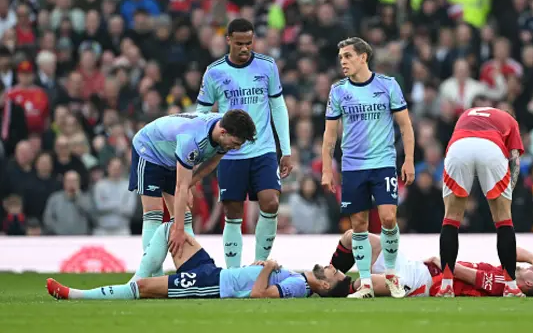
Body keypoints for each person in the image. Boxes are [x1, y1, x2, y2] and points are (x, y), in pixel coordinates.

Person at [322, 37, 416, 298]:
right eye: (341, 57)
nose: (343, 61)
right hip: (352, 166)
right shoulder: (338, 90)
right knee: (359, 225)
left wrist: (408, 159)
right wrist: (327, 170)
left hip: (384, 163)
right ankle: (365, 283)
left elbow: (405, 125)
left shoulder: (387, 85)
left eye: (348, 56)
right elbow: (330, 135)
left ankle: (392, 275)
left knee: (388, 218)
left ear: (363, 57)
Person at [47, 221, 351, 301]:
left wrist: (268, 268)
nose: (328, 266)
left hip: (210, 285)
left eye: (332, 272)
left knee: (143, 286)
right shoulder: (299, 279)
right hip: (213, 271)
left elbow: (258, 296)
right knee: (172, 231)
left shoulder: (299, 286)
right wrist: (263, 270)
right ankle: (131, 286)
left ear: (324, 285)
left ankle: (74, 295)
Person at [196, 18, 292, 268]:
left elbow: (278, 106)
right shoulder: (215, 71)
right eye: (239, 43)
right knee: (232, 212)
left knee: (271, 202)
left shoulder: (267, 66)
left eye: (248, 43)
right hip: (230, 153)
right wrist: (204, 149)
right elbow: (201, 113)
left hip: (264, 150)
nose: (244, 48)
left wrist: (287, 150)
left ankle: (260, 264)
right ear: (228, 40)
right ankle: (233, 272)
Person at [129, 109, 256, 278]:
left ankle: (190, 272)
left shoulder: (224, 129)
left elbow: (211, 164)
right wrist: (178, 230)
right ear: (223, 132)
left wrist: (190, 184)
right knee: (154, 213)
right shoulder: (192, 140)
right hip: (149, 149)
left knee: (185, 216)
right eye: (236, 142)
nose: (237, 147)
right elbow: (180, 187)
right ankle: (152, 275)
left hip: (172, 155)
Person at [438, 106, 525, 297]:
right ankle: (510, 286)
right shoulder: (510, 121)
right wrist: (508, 191)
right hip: (491, 148)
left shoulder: (466, 114)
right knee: (504, 220)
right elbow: (515, 159)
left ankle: (446, 285)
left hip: (459, 147)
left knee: (450, 219)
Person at [329, 230, 533, 298]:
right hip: (417, 268)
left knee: (369, 284)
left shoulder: (501, 284)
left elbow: (466, 275)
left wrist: (442, 261)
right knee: (354, 237)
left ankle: (333, 289)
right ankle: (330, 274)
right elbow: (509, 250)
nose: (532, 269)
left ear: (530, 285)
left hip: (424, 282)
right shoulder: (507, 275)